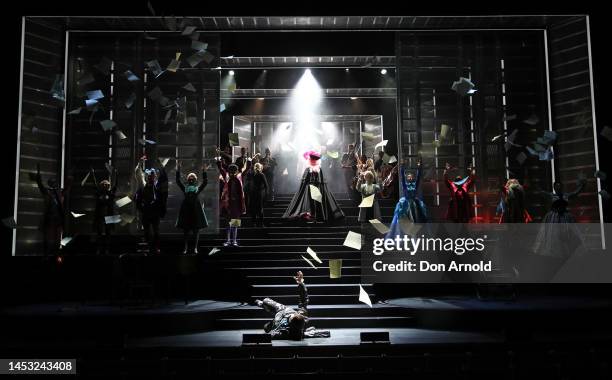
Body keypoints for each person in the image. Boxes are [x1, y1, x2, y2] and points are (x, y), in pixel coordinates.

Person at [532, 177, 588, 257]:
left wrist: (581, 186)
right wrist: (535, 185)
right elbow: (542, 192)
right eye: (556, 187)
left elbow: (575, 193)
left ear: (562, 187)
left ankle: (567, 250)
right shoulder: (551, 195)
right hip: (554, 217)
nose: (558, 188)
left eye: (560, 186)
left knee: (566, 233)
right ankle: (554, 251)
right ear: (554, 188)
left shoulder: (566, 195)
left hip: (565, 216)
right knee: (553, 234)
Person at [282, 151, 344, 222]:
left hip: (317, 188)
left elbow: (321, 180)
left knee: (317, 203)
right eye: (312, 159)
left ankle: (317, 216)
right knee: (312, 203)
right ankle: (313, 215)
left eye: (314, 159)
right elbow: (305, 180)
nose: (313, 161)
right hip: (311, 188)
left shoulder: (318, 169)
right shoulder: (308, 169)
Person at [254, 271, 309, 340]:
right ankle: (262, 304)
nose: (292, 315)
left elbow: (271, 335)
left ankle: (268, 318)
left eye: (291, 317)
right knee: (266, 300)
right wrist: (301, 283)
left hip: (278, 319)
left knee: (266, 327)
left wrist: (257, 336)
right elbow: (304, 299)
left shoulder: (284, 331)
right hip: (283, 309)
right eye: (294, 315)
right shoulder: (302, 316)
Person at [35, 163, 71, 256]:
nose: (54, 184)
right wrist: (38, 175)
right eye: (52, 183)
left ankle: (56, 253)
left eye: (55, 183)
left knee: (57, 237)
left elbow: (67, 188)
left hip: (58, 218)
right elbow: (40, 186)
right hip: (50, 217)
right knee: (47, 236)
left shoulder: (59, 192)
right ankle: (46, 253)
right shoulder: (47, 192)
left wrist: (71, 177)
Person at [386, 160, 428, 239]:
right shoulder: (405, 185)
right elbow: (402, 177)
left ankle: (415, 236)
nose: (410, 177)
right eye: (408, 176)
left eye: (411, 176)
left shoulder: (415, 185)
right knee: (404, 219)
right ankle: (404, 235)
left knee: (415, 219)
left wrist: (419, 167)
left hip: (415, 204)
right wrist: (402, 166)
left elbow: (418, 178)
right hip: (405, 203)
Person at [134, 158, 168, 255]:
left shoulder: (157, 186)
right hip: (146, 211)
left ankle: (156, 247)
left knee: (156, 231)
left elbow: (164, 177)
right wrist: (140, 163)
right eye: (149, 176)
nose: (150, 177)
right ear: (147, 177)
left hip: (155, 211)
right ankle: (149, 246)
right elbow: (137, 174)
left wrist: (160, 165)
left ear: (154, 177)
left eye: (152, 176)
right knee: (147, 231)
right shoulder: (143, 185)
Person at [175, 161, 209, 254]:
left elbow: (205, 182)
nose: (191, 179)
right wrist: (178, 169)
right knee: (186, 230)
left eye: (193, 178)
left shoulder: (197, 188)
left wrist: (204, 171)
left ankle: (195, 248)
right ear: (187, 179)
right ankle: (185, 248)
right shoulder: (185, 188)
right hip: (186, 210)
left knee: (196, 230)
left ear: (195, 179)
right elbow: (178, 181)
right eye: (190, 178)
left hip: (195, 210)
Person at [91, 166, 118, 255]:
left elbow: (115, 186)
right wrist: (93, 174)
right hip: (100, 216)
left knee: (108, 234)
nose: (105, 186)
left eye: (106, 185)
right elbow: (94, 185)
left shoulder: (110, 194)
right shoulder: (99, 193)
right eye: (103, 185)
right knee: (99, 234)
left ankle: (106, 249)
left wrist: (117, 175)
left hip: (108, 216)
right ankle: (99, 249)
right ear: (101, 185)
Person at [220, 164, 245, 246]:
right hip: (228, 205)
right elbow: (221, 169)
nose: (233, 173)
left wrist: (248, 160)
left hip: (236, 205)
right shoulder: (227, 178)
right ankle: (228, 240)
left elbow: (246, 169)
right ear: (229, 172)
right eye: (231, 171)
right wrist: (218, 159)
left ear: (236, 171)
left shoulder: (239, 179)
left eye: (234, 171)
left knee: (234, 224)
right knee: (228, 223)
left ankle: (234, 240)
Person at [245, 162, 269, 227]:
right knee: (259, 208)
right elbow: (266, 185)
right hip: (258, 194)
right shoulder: (260, 175)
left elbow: (247, 184)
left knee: (254, 209)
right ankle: (260, 223)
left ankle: (254, 223)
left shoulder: (251, 175)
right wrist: (266, 193)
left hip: (254, 194)